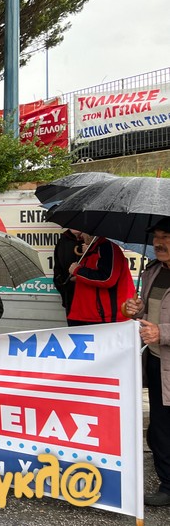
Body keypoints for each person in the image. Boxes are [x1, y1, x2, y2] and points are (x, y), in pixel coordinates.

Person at [121, 217, 170, 506]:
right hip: (155, 361)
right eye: (156, 237)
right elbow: (145, 312)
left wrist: (163, 333)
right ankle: (167, 484)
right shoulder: (152, 270)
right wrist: (133, 309)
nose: (159, 243)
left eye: (166, 237)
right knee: (160, 426)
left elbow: (160, 327)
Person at [66, 232, 135, 326]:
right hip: (88, 314)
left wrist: (78, 270)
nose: (80, 236)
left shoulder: (107, 248)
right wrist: (79, 278)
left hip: (104, 316)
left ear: (91, 233)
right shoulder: (95, 249)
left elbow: (107, 278)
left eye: (82, 232)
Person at [52, 228, 83, 316]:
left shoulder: (92, 242)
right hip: (70, 297)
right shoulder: (63, 241)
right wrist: (63, 288)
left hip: (89, 299)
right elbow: (58, 267)